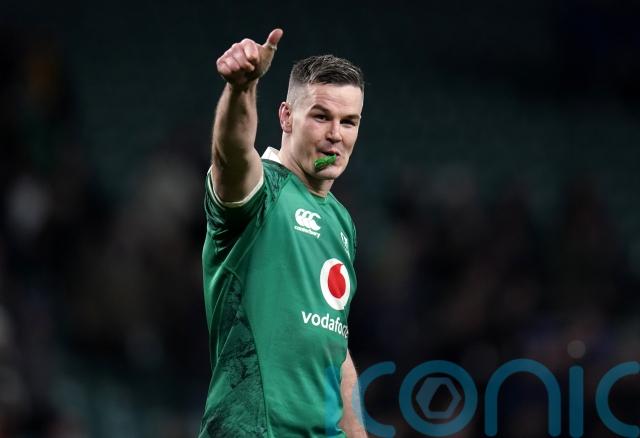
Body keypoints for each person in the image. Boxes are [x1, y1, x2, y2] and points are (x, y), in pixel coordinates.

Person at [199, 27, 367, 437]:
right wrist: (242, 88)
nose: (336, 134)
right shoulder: (261, 192)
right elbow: (232, 154)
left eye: (349, 122)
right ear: (286, 117)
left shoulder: (341, 222)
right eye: (321, 116)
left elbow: (334, 346)